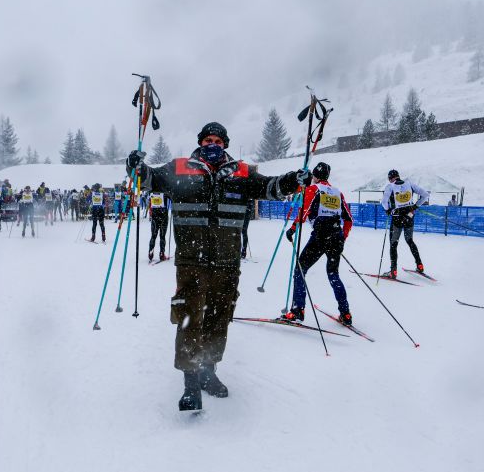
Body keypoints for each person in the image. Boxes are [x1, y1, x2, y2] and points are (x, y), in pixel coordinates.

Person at [126, 121, 305, 411]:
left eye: (218, 142)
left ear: (225, 145)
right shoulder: (180, 168)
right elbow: (148, 180)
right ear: (200, 142)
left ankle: (209, 371)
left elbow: (271, 187)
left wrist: (294, 180)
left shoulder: (242, 173)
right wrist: (135, 167)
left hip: (227, 262)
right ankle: (190, 382)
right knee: (189, 317)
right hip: (191, 261)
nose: (213, 145)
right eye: (208, 140)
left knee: (219, 318)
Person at [283, 162, 353, 324]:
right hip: (335, 236)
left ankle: (297, 310)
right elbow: (349, 219)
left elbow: (304, 212)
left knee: (300, 270)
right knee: (333, 274)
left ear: (314, 176)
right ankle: (346, 313)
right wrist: (342, 237)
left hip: (320, 237)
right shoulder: (337, 192)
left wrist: (292, 229)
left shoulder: (313, 189)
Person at [381, 169, 429, 279]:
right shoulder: (409, 184)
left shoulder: (390, 186)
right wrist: (415, 206)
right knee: (410, 241)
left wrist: (388, 210)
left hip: (397, 219)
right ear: (398, 176)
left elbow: (384, 202)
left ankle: (393, 271)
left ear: (390, 178)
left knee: (393, 244)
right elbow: (425, 195)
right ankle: (420, 265)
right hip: (409, 217)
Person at [148, 190, 169, 261]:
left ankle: (151, 251)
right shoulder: (165, 191)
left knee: (153, 235)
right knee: (162, 236)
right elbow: (172, 197)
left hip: (155, 215)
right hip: (163, 215)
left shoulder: (151, 190)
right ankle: (162, 253)